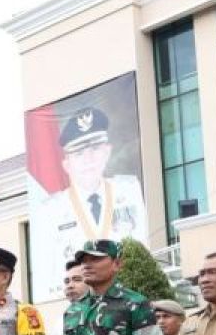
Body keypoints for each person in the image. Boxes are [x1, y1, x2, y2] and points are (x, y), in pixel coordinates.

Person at [33, 107, 148, 299]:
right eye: (79, 154)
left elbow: (142, 249)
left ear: (107, 152)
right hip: (79, 300)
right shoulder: (50, 211)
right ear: (67, 164)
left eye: (94, 149)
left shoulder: (129, 189)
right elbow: (48, 272)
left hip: (130, 293)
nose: (88, 160)